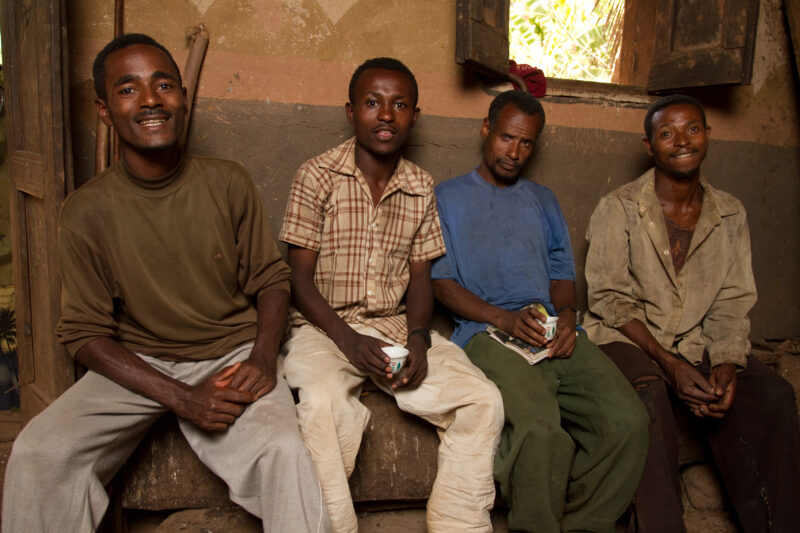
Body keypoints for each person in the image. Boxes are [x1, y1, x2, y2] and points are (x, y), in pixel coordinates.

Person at [1, 34, 330, 533]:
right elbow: (84, 335)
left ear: (182, 98)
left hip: (230, 357)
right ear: (105, 110)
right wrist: (181, 397)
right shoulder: (86, 211)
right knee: (38, 453)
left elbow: (271, 280)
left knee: (284, 453)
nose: (151, 100)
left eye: (163, 85)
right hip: (140, 363)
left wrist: (263, 358)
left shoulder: (227, 182)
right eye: (128, 89)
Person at [279, 57, 504, 533]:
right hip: (323, 327)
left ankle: (456, 523)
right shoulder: (316, 176)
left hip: (393, 327)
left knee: (482, 399)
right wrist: (349, 341)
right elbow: (298, 281)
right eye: (372, 103)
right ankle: (332, 526)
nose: (386, 115)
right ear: (350, 111)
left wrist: (420, 339)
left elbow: (421, 279)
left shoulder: (420, 186)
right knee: (320, 403)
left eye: (399, 104)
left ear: (415, 116)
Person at [430, 89, 649, 533]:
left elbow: (561, 274)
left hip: (551, 327)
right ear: (486, 129)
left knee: (628, 422)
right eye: (507, 138)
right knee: (539, 430)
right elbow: (442, 284)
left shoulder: (543, 199)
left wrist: (567, 318)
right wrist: (503, 319)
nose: (515, 152)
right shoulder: (446, 197)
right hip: (485, 332)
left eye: (527, 143)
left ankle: (584, 524)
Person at [584, 94, 800, 533]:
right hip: (629, 338)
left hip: (699, 341)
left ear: (707, 136)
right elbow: (608, 299)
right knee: (648, 396)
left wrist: (725, 362)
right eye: (667, 133)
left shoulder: (731, 213)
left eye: (692, 130)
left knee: (773, 396)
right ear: (650, 145)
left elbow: (732, 300)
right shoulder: (619, 207)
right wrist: (670, 364)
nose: (681, 141)